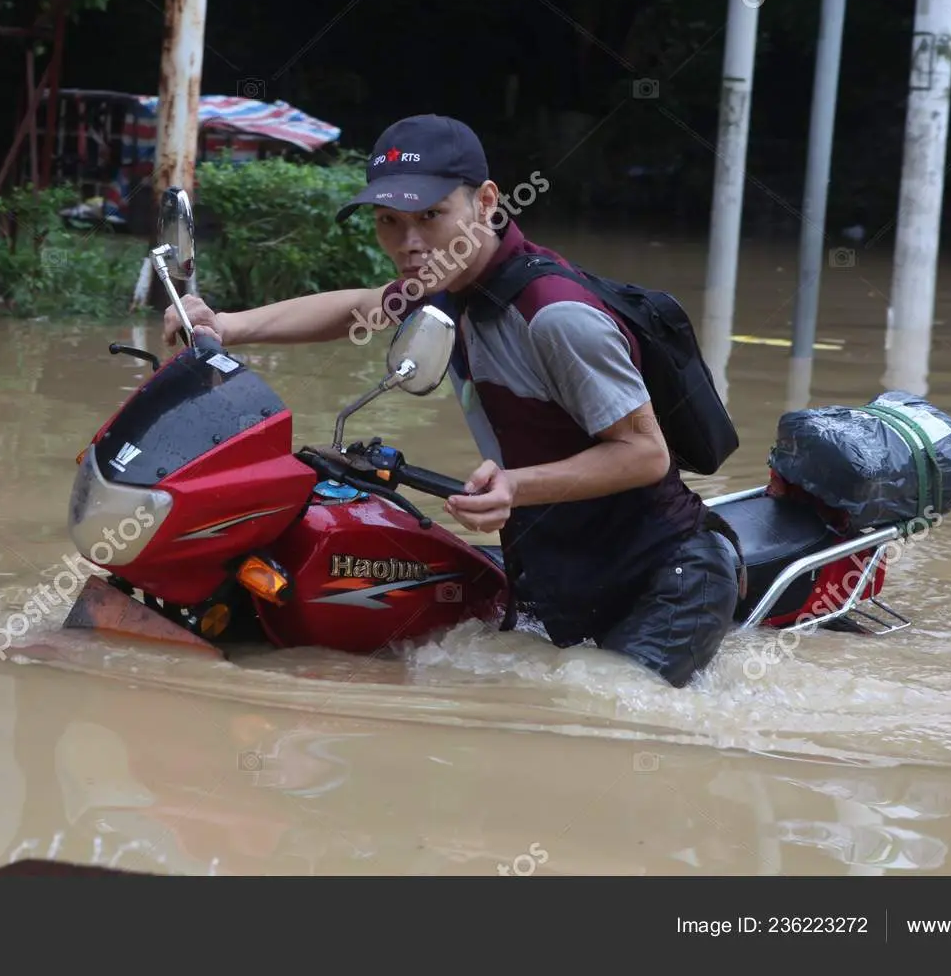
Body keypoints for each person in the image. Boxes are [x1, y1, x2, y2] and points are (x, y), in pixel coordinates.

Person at [162, 114, 742, 688]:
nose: (409, 244)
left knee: (592, 723)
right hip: (558, 570)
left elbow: (645, 454)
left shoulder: (556, 316)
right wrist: (225, 325)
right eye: (389, 222)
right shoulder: (444, 283)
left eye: (431, 216)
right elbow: (358, 310)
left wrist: (518, 487)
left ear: (486, 202)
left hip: (668, 576)